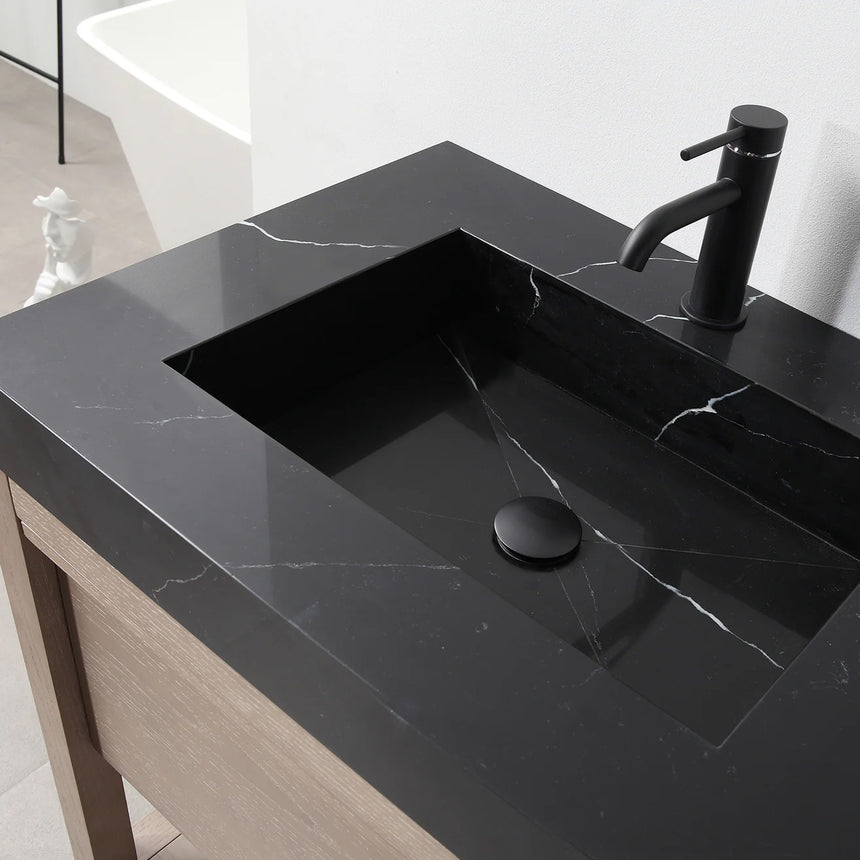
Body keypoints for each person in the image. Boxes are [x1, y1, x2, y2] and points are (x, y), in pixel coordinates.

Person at [23, 187, 93, 308]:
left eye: (63, 219)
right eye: (46, 216)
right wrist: (37, 301)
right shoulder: (58, 271)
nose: (49, 232)